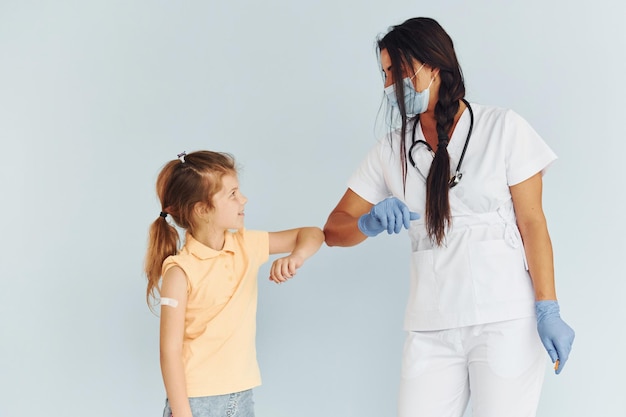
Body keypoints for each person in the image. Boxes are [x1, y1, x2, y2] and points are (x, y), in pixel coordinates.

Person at [323, 17, 575, 417]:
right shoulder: (391, 150)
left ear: (433, 65)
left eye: (399, 72)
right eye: (385, 74)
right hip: (431, 324)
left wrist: (548, 308)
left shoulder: (502, 128)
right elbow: (334, 230)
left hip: (505, 319)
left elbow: (533, 223)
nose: (390, 85)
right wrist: (366, 222)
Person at [144, 150, 324, 417]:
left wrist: (296, 257)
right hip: (196, 402)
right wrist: (183, 414)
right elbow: (169, 351)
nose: (243, 199)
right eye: (232, 194)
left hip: (241, 396)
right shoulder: (180, 271)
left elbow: (313, 234)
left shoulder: (246, 245)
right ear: (203, 209)